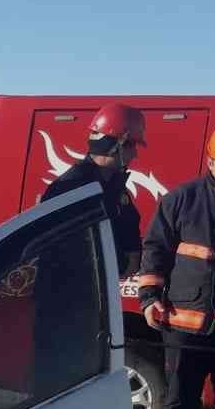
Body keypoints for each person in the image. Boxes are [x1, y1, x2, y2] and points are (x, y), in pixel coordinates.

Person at [137, 118, 215, 409]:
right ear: (210, 161)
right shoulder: (182, 199)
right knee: (180, 404)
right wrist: (149, 295)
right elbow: (156, 248)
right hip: (184, 328)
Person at [40, 102, 145, 278]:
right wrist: (120, 263)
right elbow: (70, 246)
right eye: (132, 145)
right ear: (116, 145)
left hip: (100, 289)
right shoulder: (71, 188)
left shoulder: (113, 186)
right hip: (70, 293)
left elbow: (127, 227)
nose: (135, 154)